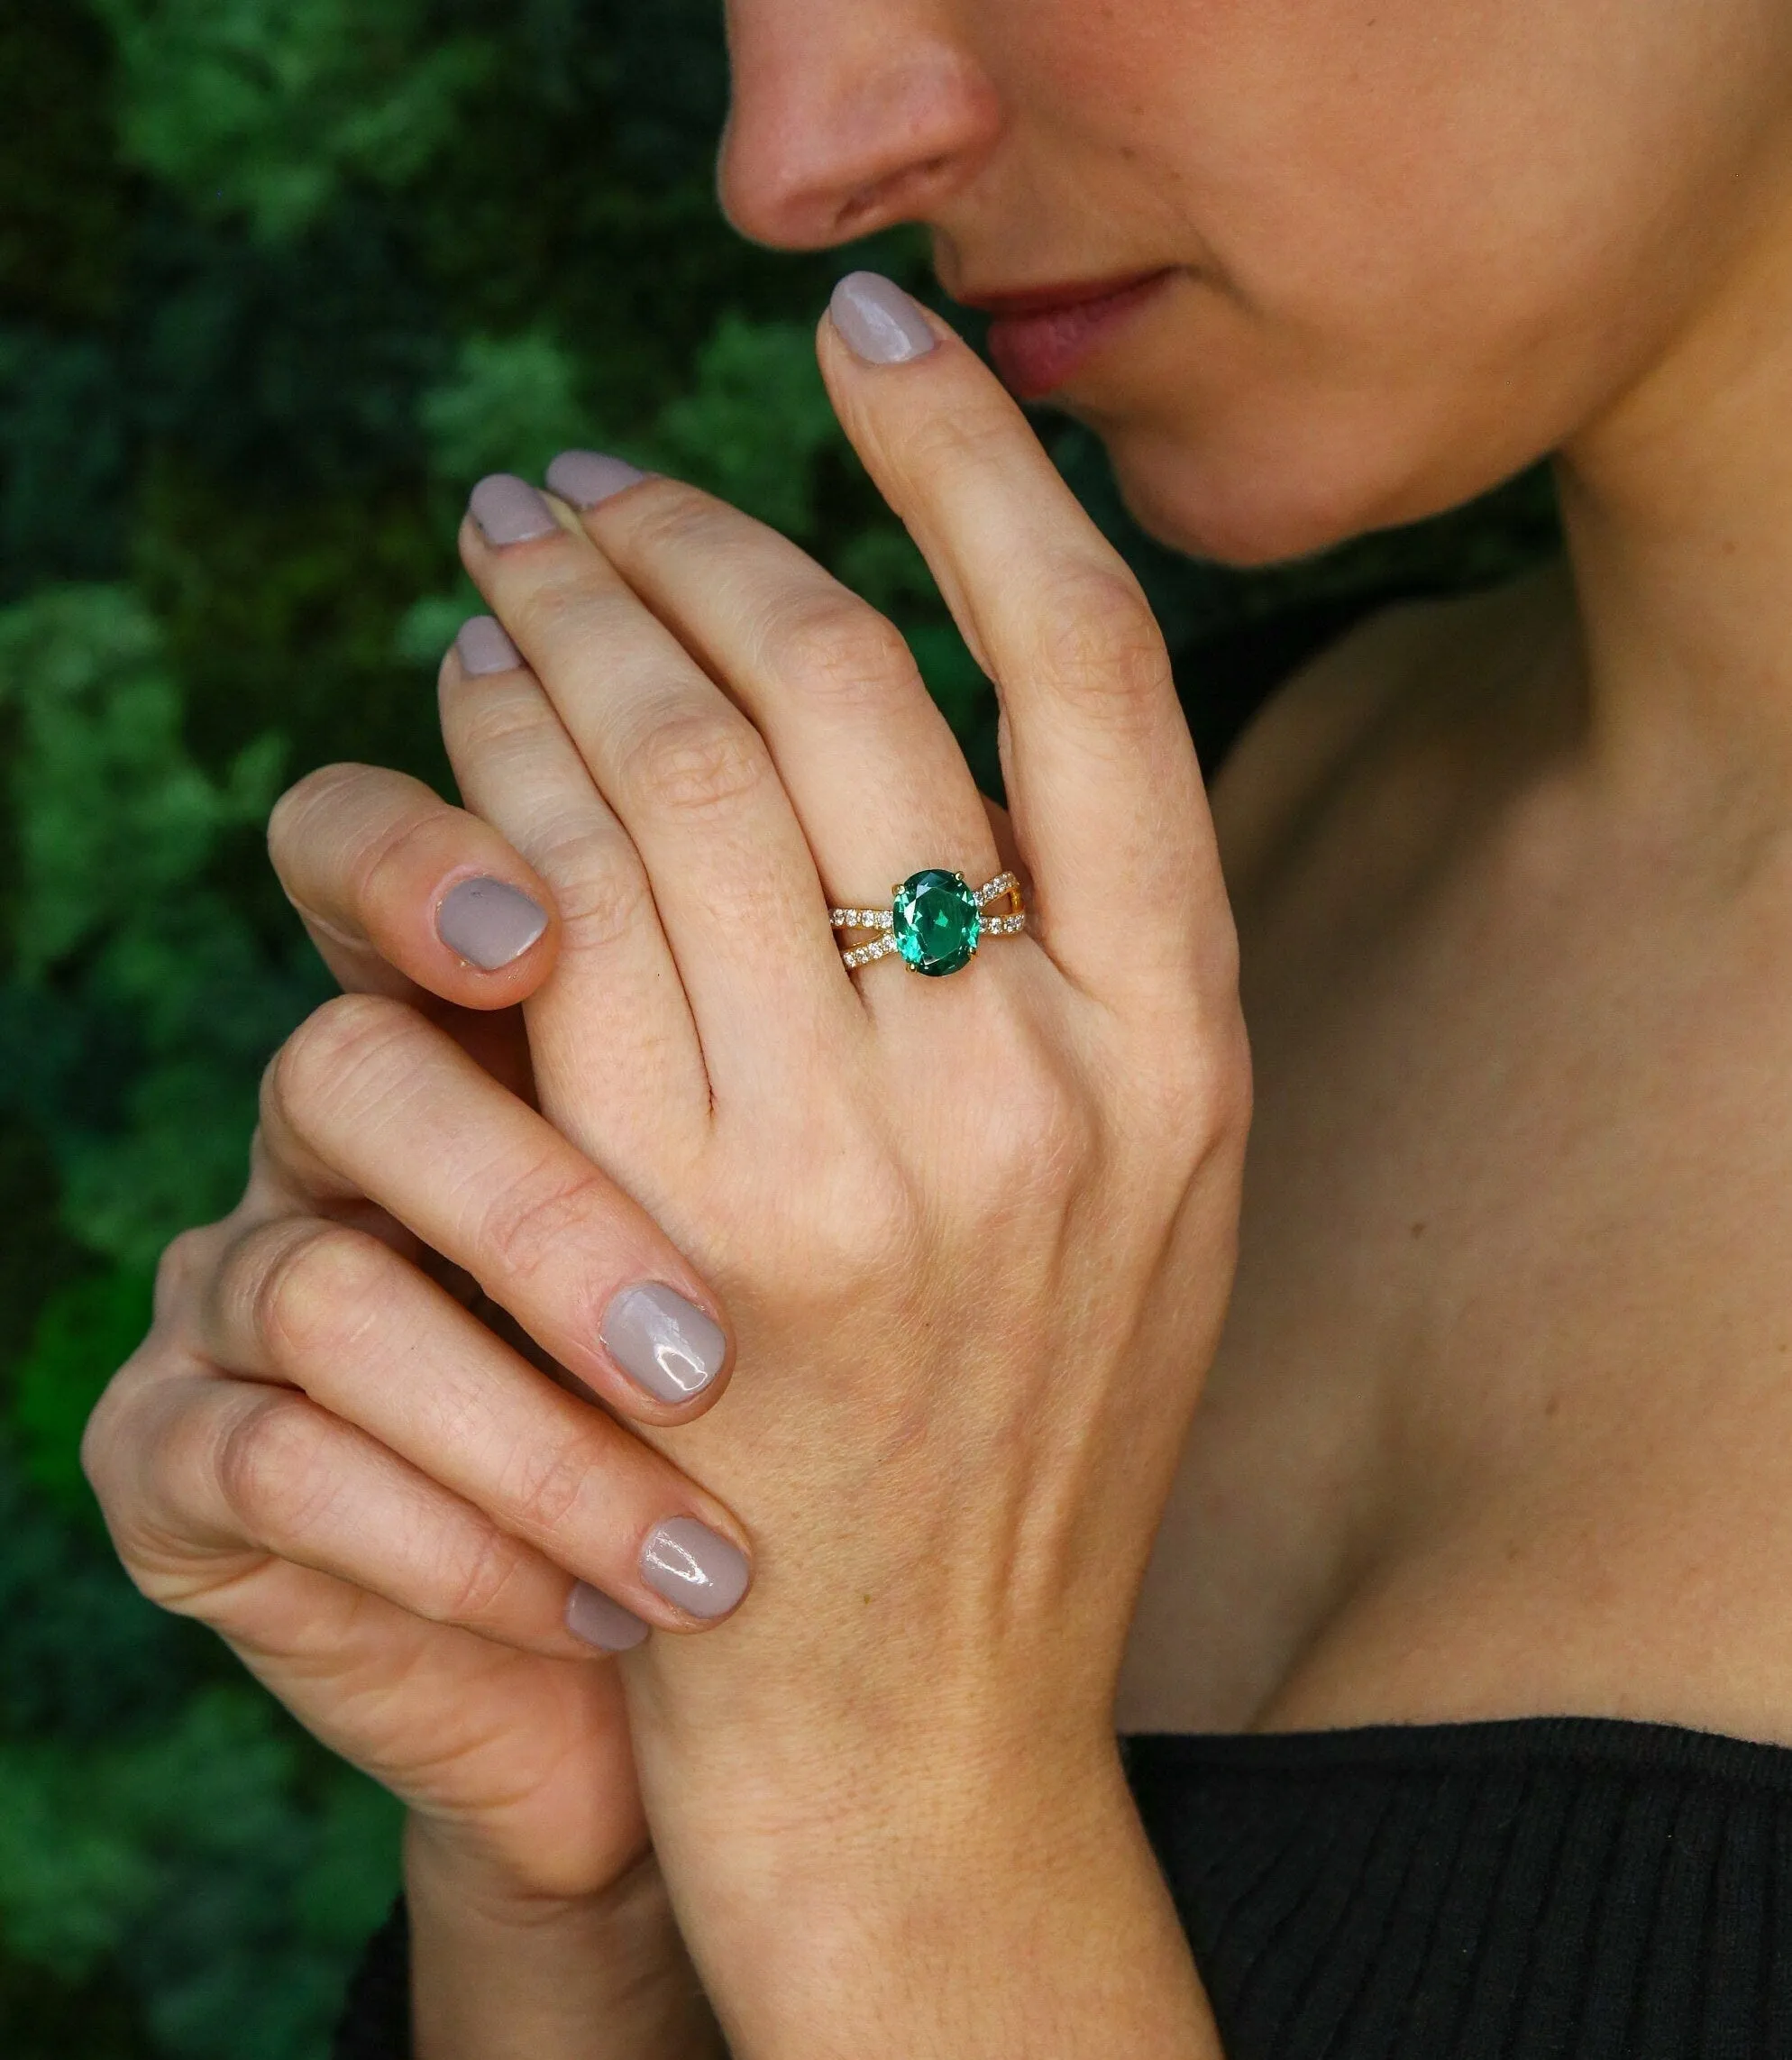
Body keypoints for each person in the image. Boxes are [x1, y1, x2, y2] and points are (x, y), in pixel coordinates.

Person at [81, 0, 1792, 2053]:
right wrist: (589, 1897)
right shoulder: (1091, 908)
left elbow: (890, 1818)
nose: (790, 157)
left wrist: (885, 1816)